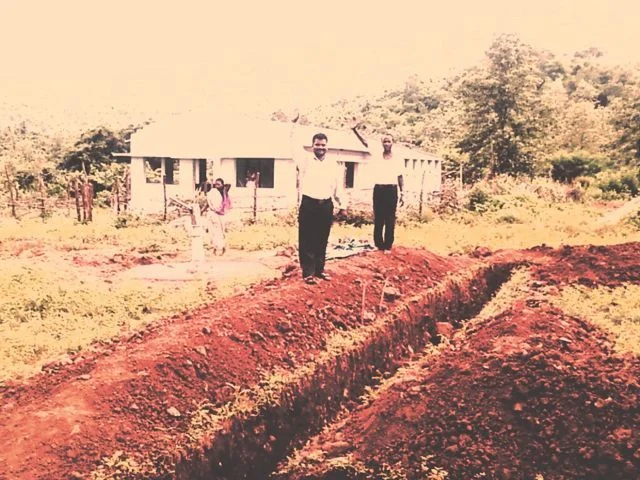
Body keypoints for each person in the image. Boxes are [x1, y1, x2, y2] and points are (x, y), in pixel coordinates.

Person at [296, 133, 346, 285]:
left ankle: (319, 270)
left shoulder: (333, 164)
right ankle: (308, 273)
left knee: (322, 237)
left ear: (327, 146)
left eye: (323, 145)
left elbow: (338, 187)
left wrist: (343, 206)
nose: (320, 147)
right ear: (312, 146)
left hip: (326, 205)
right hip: (309, 203)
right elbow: (293, 145)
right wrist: (295, 125)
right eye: (317, 144)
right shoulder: (304, 161)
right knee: (307, 238)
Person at [372, 134, 404, 254]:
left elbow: (400, 176)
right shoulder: (377, 156)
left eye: (389, 141)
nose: (386, 144)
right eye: (384, 141)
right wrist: (355, 130)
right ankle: (378, 244)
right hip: (379, 189)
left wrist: (402, 193)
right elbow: (364, 142)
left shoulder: (397, 159)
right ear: (382, 143)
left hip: (391, 190)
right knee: (378, 217)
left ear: (392, 143)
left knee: (390, 218)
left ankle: (388, 245)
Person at [205, 177, 232, 255]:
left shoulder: (224, 192)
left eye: (218, 184)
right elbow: (208, 203)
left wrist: (223, 188)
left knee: (221, 232)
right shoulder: (213, 193)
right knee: (213, 232)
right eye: (215, 184)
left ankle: (223, 248)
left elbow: (229, 185)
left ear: (222, 185)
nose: (216, 186)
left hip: (221, 214)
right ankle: (215, 248)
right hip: (213, 214)